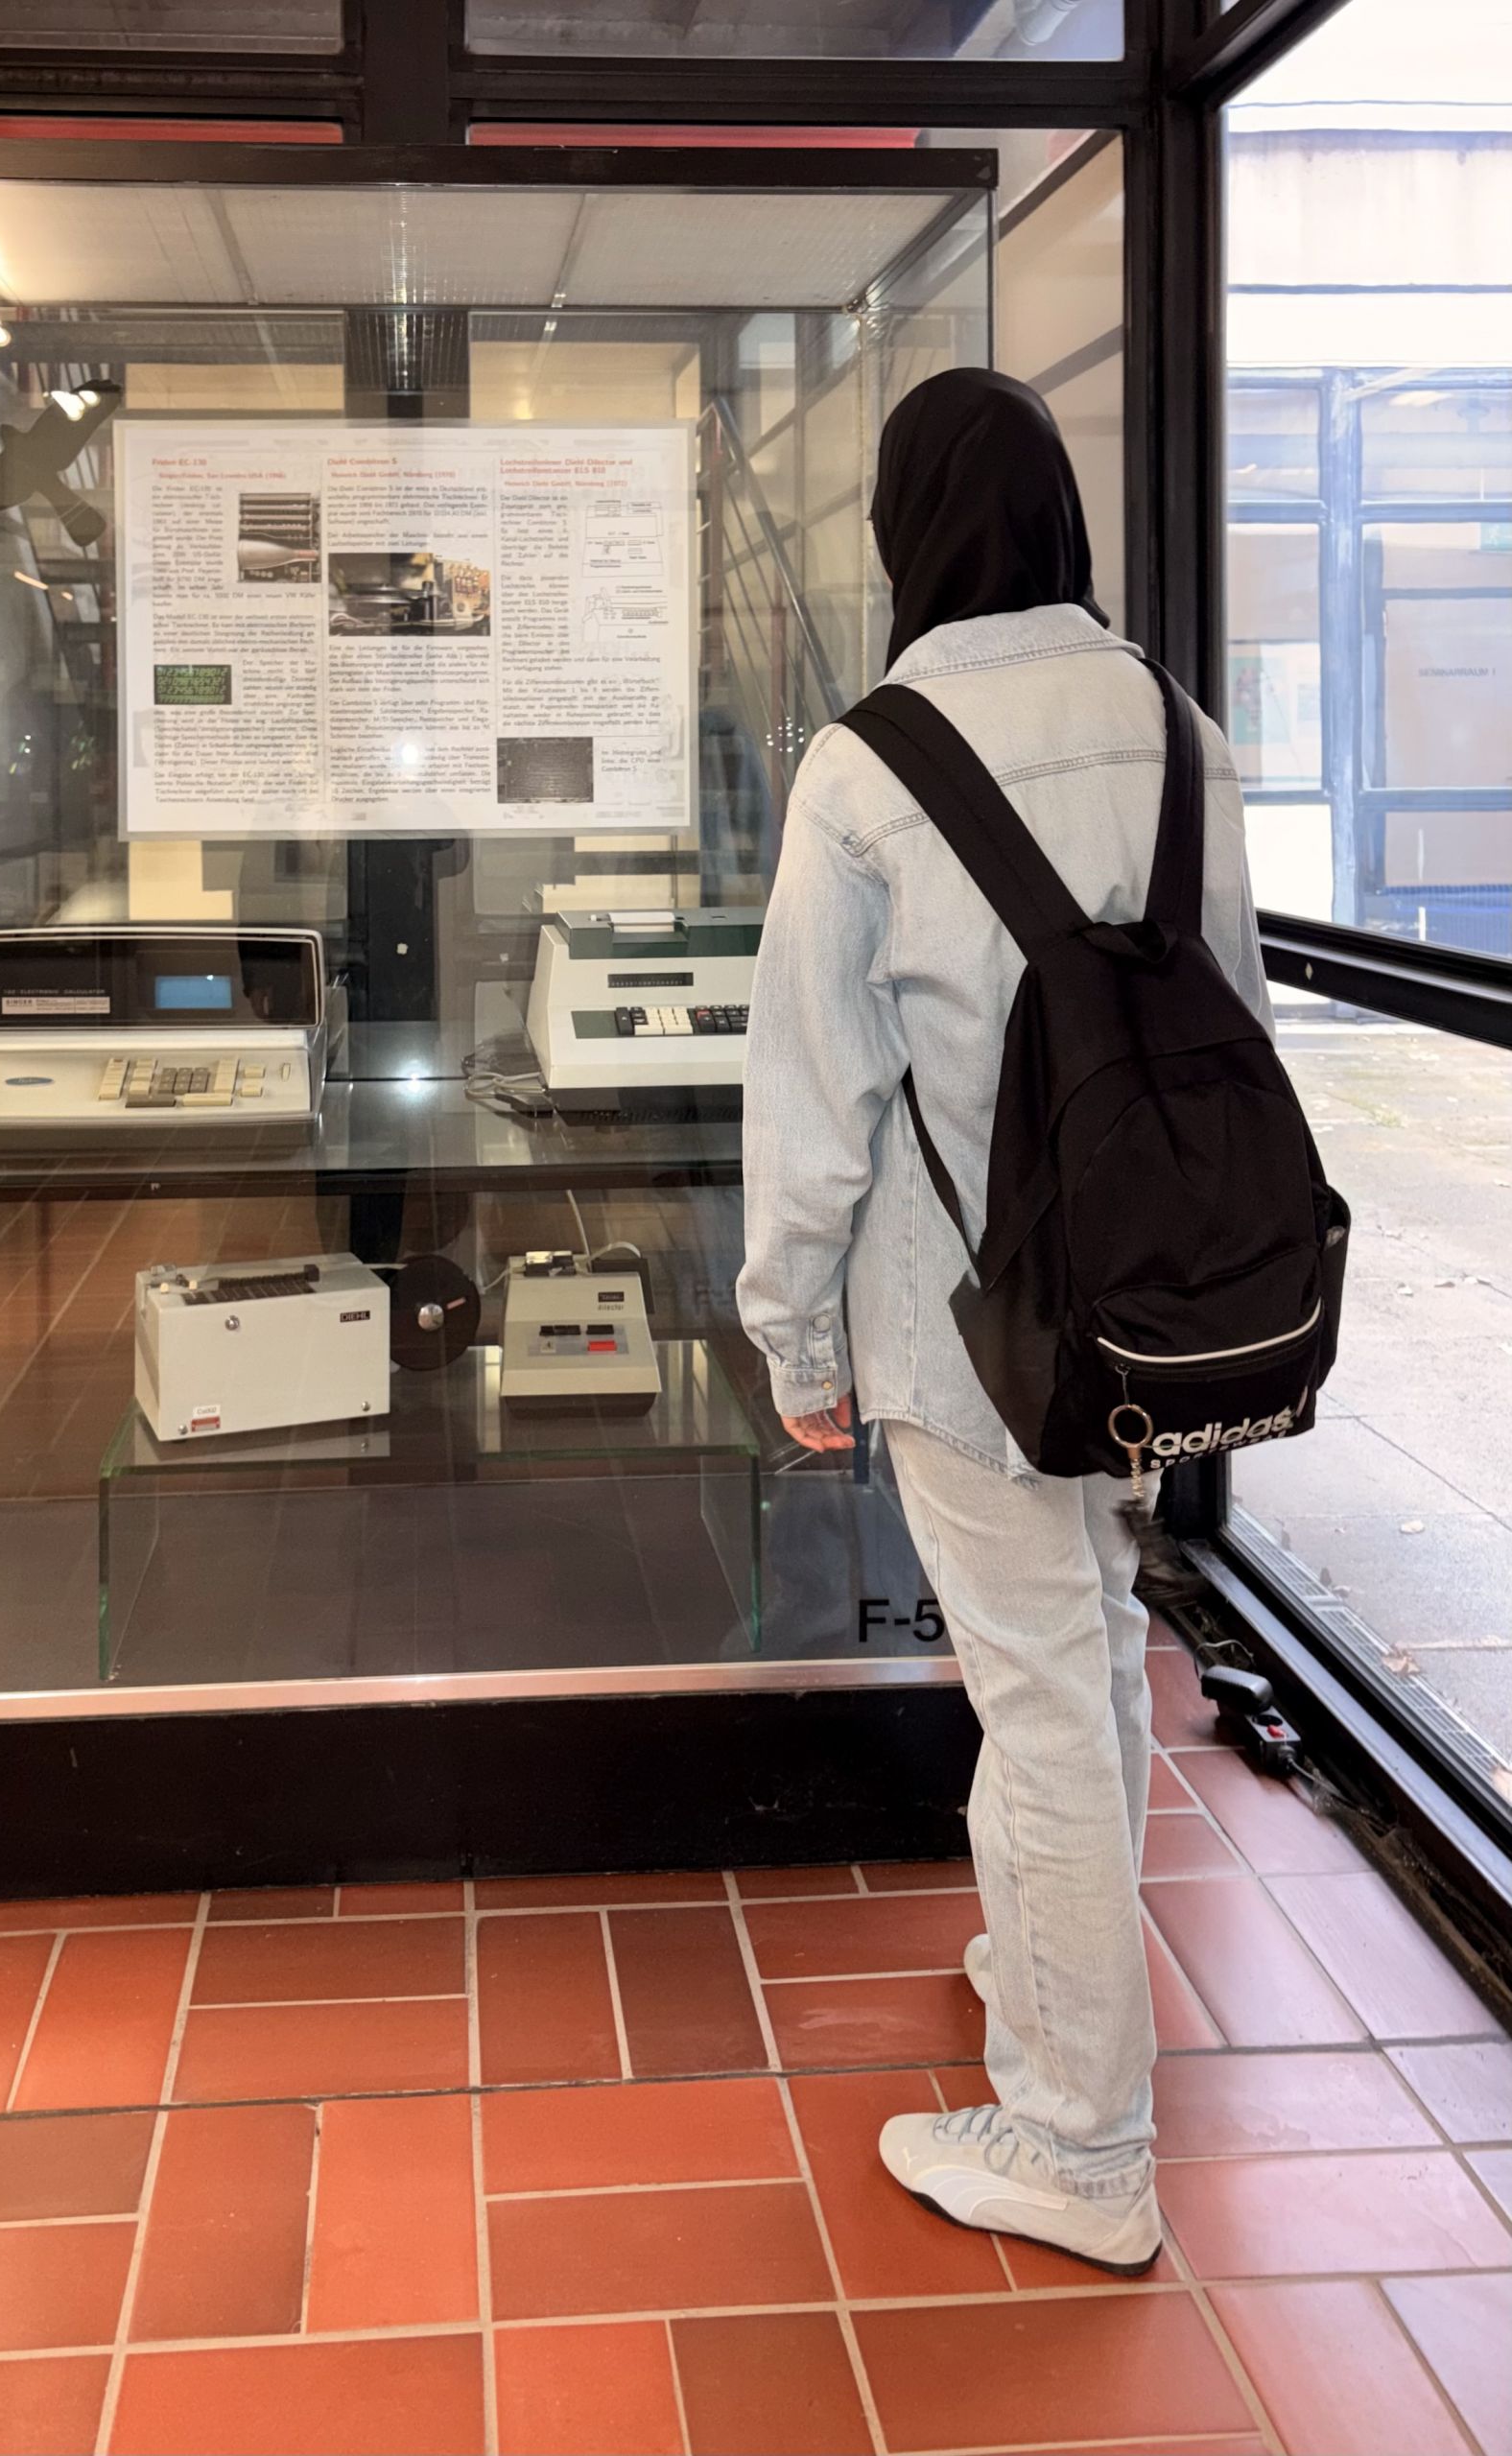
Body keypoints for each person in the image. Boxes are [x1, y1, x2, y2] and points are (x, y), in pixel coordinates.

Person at [736, 366, 1272, 2275]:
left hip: (962, 1325)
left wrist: (793, 1343)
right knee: (1093, 1655)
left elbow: (816, 1101)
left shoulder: (870, 760)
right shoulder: (1173, 718)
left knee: (1041, 1686)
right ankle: (1051, 1968)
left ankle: (1078, 2138)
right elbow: (1238, 1018)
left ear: (903, 533)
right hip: (1146, 1309)